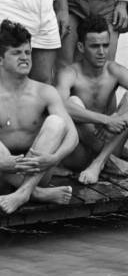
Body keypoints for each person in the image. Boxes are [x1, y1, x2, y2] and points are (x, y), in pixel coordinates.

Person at [56, 15, 128, 184]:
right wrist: (105, 120)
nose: (102, 52)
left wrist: (121, 119)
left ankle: (101, 162)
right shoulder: (69, 73)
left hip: (110, 144)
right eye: (94, 46)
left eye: (105, 45)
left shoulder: (113, 70)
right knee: (72, 102)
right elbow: (59, 106)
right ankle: (109, 162)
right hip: (80, 153)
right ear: (81, 47)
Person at [0, 20, 78, 214]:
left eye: (27, 52)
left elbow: (72, 135)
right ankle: (39, 194)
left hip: (37, 169)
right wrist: (3, 163)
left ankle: (25, 191)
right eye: (16, 53)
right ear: (0, 59)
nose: (25, 58)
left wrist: (54, 158)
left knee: (57, 122)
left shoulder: (44, 92)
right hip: (2, 170)